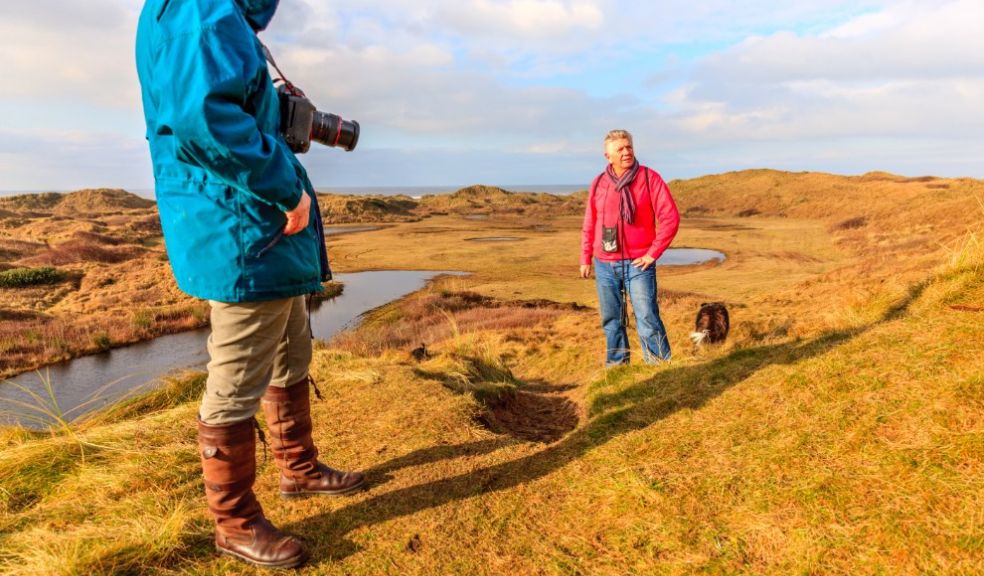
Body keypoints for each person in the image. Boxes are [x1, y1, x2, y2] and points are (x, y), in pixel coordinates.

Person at [135, 0, 364, 568]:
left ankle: (299, 469)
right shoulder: (200, 10)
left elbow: (225, 105)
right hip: (240, 222)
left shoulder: (213, 14)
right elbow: (203, 121)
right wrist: (287, 187)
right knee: (237, 374)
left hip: (253, 223)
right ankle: (234, 524)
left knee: (290, 348)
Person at [580, 130, 680, 366]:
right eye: (620, 149)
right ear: (608, 156)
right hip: (604, 263)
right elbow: (589, 222)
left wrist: (652, 253)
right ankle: (617, 367)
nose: (626, 152)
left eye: (629, 147)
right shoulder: (599, 183)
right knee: (611, 319)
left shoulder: (649, 178)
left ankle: (659, 367)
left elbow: (670, 218)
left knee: (646, 316)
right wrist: (585, 256)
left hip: (638, 263)